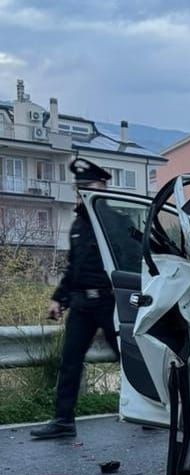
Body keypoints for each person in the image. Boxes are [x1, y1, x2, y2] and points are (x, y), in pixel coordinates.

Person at [30, 159, 120, 440]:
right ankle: (63, 420)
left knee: (130, 360)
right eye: (79, 189)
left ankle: (152, 410)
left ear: (103, 187)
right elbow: (73, 268)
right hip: (82, 304)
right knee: (70, 360)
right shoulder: (78, 225)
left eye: (88, 187)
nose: (82, 193)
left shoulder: (116, 222)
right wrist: (59, 299)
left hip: (111, 302)